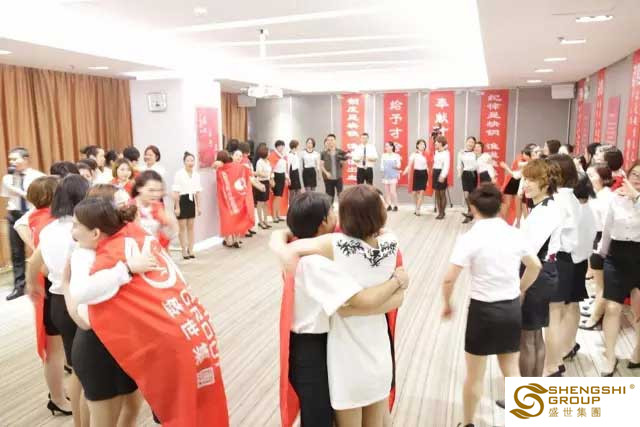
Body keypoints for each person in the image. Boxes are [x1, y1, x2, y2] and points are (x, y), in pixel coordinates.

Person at [68, 197, 229, 426]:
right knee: (104, 415)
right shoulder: (89, 253)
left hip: (132, 342)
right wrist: (126, 269)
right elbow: (82, 305)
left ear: (95, 232)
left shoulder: (128, 243)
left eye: (76, 225)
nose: (72, 231)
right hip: (100, 346)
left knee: (131, 408)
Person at [272, 191, 408, 427]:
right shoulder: (316, 263)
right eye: (332, 211)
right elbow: (358, 301)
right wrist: (397, 282)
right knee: (320, 417)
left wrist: (279, 239)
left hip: (324, 340)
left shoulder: (310, 248)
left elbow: (281, 241)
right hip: (316, 347)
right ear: (324, 221)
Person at [441, 183, 541, 427]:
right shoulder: (514, 234)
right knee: (512, 370)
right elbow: (535, 265)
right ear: (500, 206)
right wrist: (520, 289)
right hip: (510, 309)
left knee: (475, 375)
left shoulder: (469, 238)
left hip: (483, 311)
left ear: (473, 208)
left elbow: (449, 278)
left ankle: (468, 423)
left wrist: (447, 303)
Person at [25, 174, 90, 424]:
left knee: (73, 366)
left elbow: (34, 262)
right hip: (79, 301)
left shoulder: (50, 229)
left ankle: (76, 417)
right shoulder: (79, 230)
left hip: (57, 300)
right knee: (85, 370)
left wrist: (33, 285)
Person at [13, 176, 72, 416]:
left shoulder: (36, 217)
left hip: (45, 287)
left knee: (55, 348)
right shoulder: (52, 223)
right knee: (54, 349)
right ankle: (57, 398)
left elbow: (20, 226)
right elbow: (45, 264)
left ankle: (58, 394)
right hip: (49, 289)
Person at [543, 154, 596, 377]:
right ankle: (568, 345)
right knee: (572, 304)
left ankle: (552, 365)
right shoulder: (576, 198)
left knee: (553, 314)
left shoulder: (556, 200)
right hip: (578, 260)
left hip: (561, 260)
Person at [519, 160, 562, 377]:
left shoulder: (545, 211)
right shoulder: (545, 207)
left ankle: (526, 392)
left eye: (532, 180)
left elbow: (529, 252)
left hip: (536, 273)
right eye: (525, 178)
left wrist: (520, 288)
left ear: (546, 183)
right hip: (544, 271)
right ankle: (533, 389)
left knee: (527, 337)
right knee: (535, 335)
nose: (526, 184)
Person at [598, 160, 640, 376]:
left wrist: (637, 198)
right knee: (612, 307)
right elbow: (608, 227)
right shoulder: (615, 198)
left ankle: (638, 350)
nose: (637, 179)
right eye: (634, 174)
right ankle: (610, 355)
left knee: (638, 309)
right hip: (616, 256)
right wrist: (601, 253)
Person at [2, 147, 45, 300]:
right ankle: (19, 286)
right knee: (16, 252)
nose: (12, 162)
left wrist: (15, 189)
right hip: (14, 215)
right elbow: (7, 196)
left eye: (15, 159)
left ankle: (42, 281)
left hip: (33, 215)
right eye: (10, 160)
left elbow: (35, 197)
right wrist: (10, 185)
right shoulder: (8, 178)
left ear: (26, 159)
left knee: (38, 248)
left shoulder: (37, 176)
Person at [580, 164, 614, 330]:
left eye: (592, 175)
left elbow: (608, 225)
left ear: (602, 178)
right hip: (594, 237)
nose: (588, 178)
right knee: (597, 281)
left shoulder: (607, 197)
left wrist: (600, 246)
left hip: (602, 240)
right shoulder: (595, 194)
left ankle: (595, 318)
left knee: (601, 284)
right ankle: (596, 309)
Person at [132, 170, 178, 250]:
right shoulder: (130, 207)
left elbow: (171, 235)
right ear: (139, 188)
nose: (156, 194)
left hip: (155, 250)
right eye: (151, 190)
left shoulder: (158, 206)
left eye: (159, 190)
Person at [172, 152, 202, 258]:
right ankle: (184, 250)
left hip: (191, 200)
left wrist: (199, 206)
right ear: (184, 162)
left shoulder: (196, 175)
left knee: (191, 226)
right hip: (181, 200)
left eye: (192, 160)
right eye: (188, 160)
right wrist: (177, 207)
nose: (190, 162)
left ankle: (191, 249)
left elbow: (198, 192)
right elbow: (175, 191)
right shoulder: (179, 174)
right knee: (182, 227)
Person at [403, 139, 428, 216]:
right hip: (416, 174)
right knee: (414, 193)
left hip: (424, 174)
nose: (422, 146)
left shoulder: (426, 155)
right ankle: (416, 207)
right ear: (417, 145)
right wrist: (405, 171)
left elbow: (428, 166)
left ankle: (418, 209)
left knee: (422, 192)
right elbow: (409, 165)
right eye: (420, 144)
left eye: (423, 144)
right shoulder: (414, 154)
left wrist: (428, 179)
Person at [321, 134, 348, 204]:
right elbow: (321, 165)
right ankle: (330, 209)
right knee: (329, 196)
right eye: (328, 140)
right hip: (328, 178)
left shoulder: (340, 151)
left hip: (338, 177)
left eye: (331, 140)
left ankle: (341, 209)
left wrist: (343, 162)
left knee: (340, 195)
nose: (330, 141)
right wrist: (326, 173)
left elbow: (345, 162)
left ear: (335, 141)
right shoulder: (323, 153)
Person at [457, 137, 478, 223]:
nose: (470, 143)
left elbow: (478, 164)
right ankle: (472, 213)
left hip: (473, 174)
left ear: (474, 144)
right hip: (465, 174)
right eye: (469, 141)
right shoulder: (461, 153)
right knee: (466, 196)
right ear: (466, 142)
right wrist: (459, 173)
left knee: (472, 196)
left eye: (472, 142)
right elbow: (459, 164)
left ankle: (469, 215)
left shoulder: (476, 153)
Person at [254, 143, 273, 229]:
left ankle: (266, 220)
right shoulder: (260, 161)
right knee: (260, 203)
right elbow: (258, 173)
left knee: (265, 203)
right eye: (268, 152)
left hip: (267, 182)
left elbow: (270, 172)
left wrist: (270, 178)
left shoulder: (268, 162)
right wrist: (266, 174)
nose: (269, 153)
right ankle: (260, 221)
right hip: (260, 183)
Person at [270, 140, 289, 222]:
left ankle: (278, 214)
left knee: (279, 197)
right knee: (276, 197)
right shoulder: (273, 155)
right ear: (276, 147)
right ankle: (274, 216)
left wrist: (286, 178)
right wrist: (272, 179)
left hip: (282, 176)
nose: (281, 147)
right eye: (279, 146)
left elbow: (286, 168)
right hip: (276, 176)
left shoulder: (284, 155)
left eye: (282, 146)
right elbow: (271, 168)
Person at [379, 141, 401, 212]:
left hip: (393, 175)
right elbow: (381, 165)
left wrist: (394, 166)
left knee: (392, 191)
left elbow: (399, 165)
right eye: (385, 146)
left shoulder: (396, 155)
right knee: (387, 192)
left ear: (392, 147)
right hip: (386, 175)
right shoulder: (384, 155)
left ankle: (395, 205)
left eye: (387, 146)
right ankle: (389, 205)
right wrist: (383, 169)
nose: (386, 147)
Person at [432, 136, 450, 220]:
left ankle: (442, 212)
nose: (435, 143)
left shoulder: (446, 153)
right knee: (437, 193)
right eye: (435, 142)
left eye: (437, 142)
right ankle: (440, 212)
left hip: (441, 172)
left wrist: (443, 176)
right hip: (435, 172)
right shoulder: (436, 152)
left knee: (442, 193)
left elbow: (446, 166)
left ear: (441, 143)